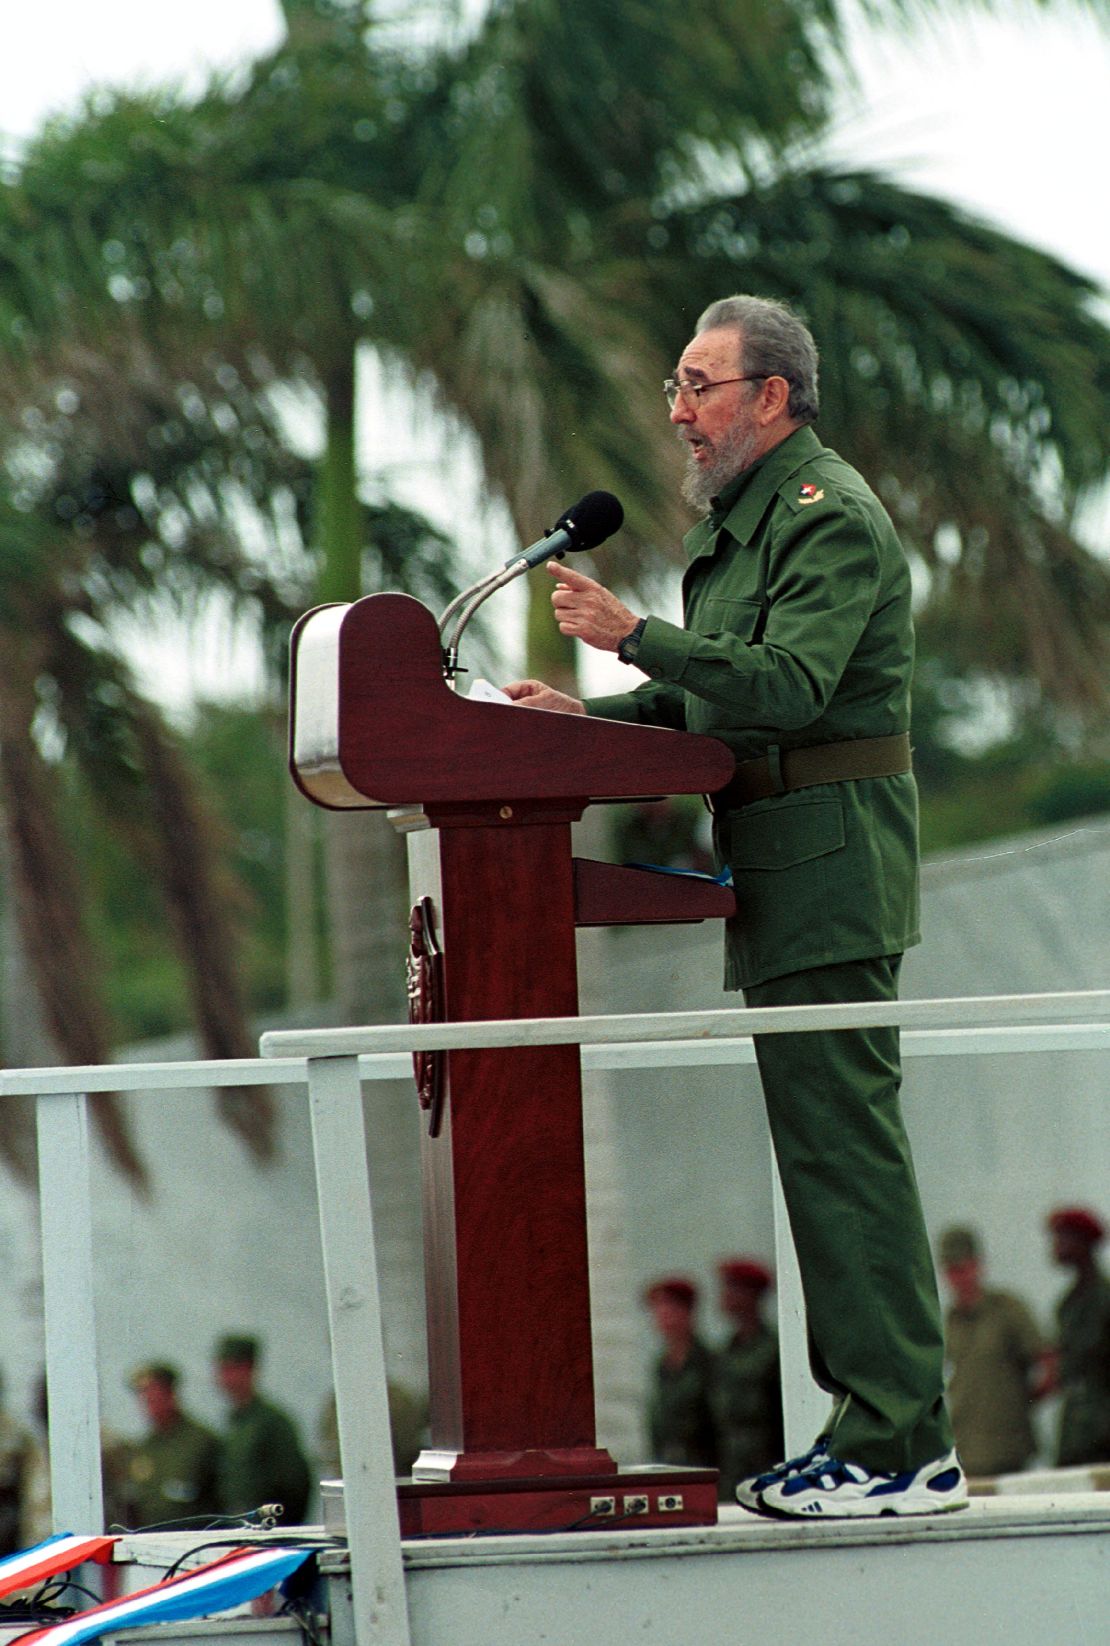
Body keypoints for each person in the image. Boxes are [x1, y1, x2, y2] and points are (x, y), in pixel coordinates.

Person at [504, 293, 964, 1519]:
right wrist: (578, 723)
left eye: (700, 385)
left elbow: (791, 689)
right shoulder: (749, 525)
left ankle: (903, 1444)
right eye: (675, 386)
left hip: (831, 870)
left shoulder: (828, 518)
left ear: (773, 395)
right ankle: (871, 1430)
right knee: (827, 1168)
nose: (679, 412)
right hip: (783, 874)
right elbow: (708, 710)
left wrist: (636, 632)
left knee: (849, 1166)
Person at [936, 1226, 1050, 1478]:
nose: (958, 1278)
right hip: (966, 1448)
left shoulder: (1007, 1310)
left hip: (1009, 1448)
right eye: (952, 1270)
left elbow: (1048, 1361)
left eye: (963, 1268)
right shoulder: (949, 1322)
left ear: (978, 1264)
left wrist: (1025, 1403)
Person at [212, 1334, 312, 1526]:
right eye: (222, 1369)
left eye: (233, 1368)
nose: (225, 1377)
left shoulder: (272, 1422)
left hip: (267, 1531)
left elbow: (295, 1485)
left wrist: (281, 1531)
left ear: (250, 1370)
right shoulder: (235, 1422)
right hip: (239, 1528)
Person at [712, 1258, 783, 1502]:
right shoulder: (726, 1351)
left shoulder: (773, 1349)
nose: (724, 1296)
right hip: (731, 1466)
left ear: (752, 1295)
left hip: (765, 1462)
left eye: (733, 1288)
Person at [1046, 1206, 1110, 1467]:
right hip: (1077, 1429)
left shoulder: (1104, 1300)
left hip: (1103, 1429)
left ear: (1085, 1243)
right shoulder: (1068, 1304)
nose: (1056, 1246)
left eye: (1064, 1238)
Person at [123, 1362, 221, 1529]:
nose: (149, 1403)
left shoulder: (202, 1442)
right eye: (144, 1397)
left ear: (170, 1394)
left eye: (155, 1395)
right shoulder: (145, 1448)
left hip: (196, 1541)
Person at [642, 1276, 717, 1472]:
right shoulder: (661, 1366)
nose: (663, 1315)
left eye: (671, 1308)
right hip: (669, 1468)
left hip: (706, 1467)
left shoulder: (709, 1362)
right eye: (657, 1309)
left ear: (688, 1311)